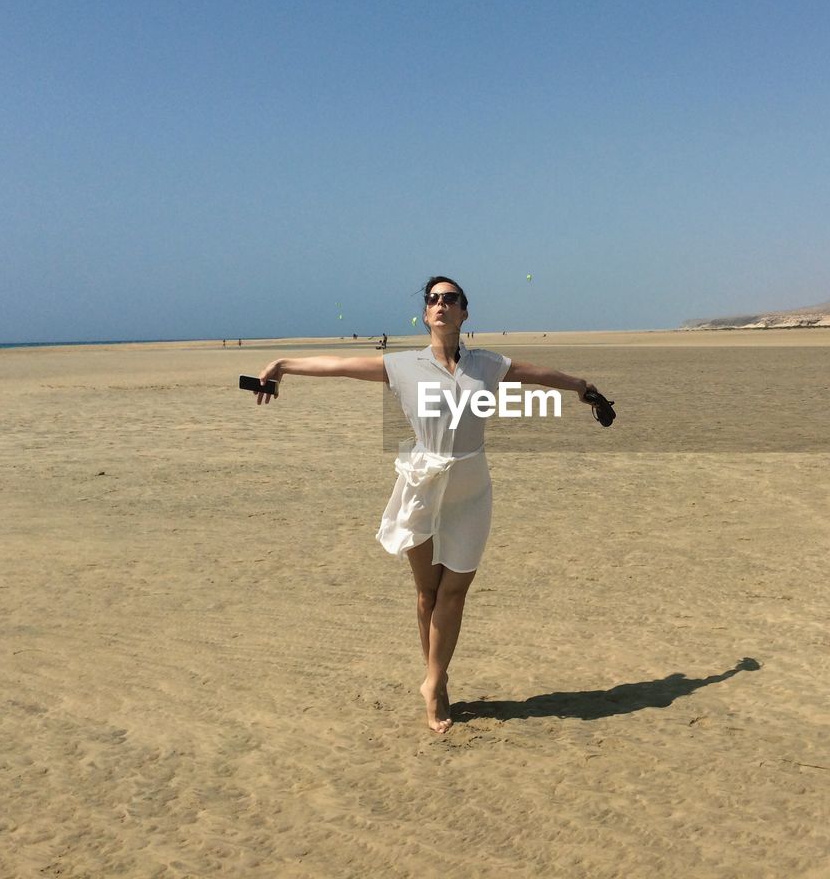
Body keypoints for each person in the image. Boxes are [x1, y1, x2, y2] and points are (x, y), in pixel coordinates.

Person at [254, 276, 602, 733]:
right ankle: (436, 683)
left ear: (464, 312)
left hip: (470, 485)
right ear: (425, 314)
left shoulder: (488, 365)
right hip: (422, 480)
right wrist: (283, 364)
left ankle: (432, 680)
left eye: (450, 299)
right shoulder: (401, 365)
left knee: (454, 590)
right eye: (433, 300)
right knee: (427, 593)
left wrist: (583, 387)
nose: (441, 305)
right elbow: (338, 365)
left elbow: (539, 374)